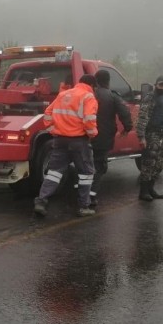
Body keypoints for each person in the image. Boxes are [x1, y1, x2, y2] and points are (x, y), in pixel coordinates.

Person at [34, 73, 99, 218]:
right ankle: (83, 206)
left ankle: (41, 201)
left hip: (60, 140)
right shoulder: (88, 97)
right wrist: (92, 134)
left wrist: (52, 130)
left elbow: (47, 113)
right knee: (86, 174)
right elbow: (89, 120)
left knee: (54, 172)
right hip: (79, 141)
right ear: (92, 86)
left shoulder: (63, 94)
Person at [89, 70, 133, 208]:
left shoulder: (88, 95)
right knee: (99, 165)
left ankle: (83, 190)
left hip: (84, 135)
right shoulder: (113, 96)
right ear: (108, 81)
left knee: (85, 164)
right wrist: (127, 128)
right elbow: (124, 112)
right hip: (103, 136)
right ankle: (91, 196)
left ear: (96, 81)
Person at [135, 75, 163, 201]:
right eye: (161, 85)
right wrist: (141, 136)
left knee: (160, 161)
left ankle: (151, 188)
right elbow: (142, 117)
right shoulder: (149, 98)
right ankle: (144, 191)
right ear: (156, 84)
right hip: (152, 133)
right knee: (149, 161)